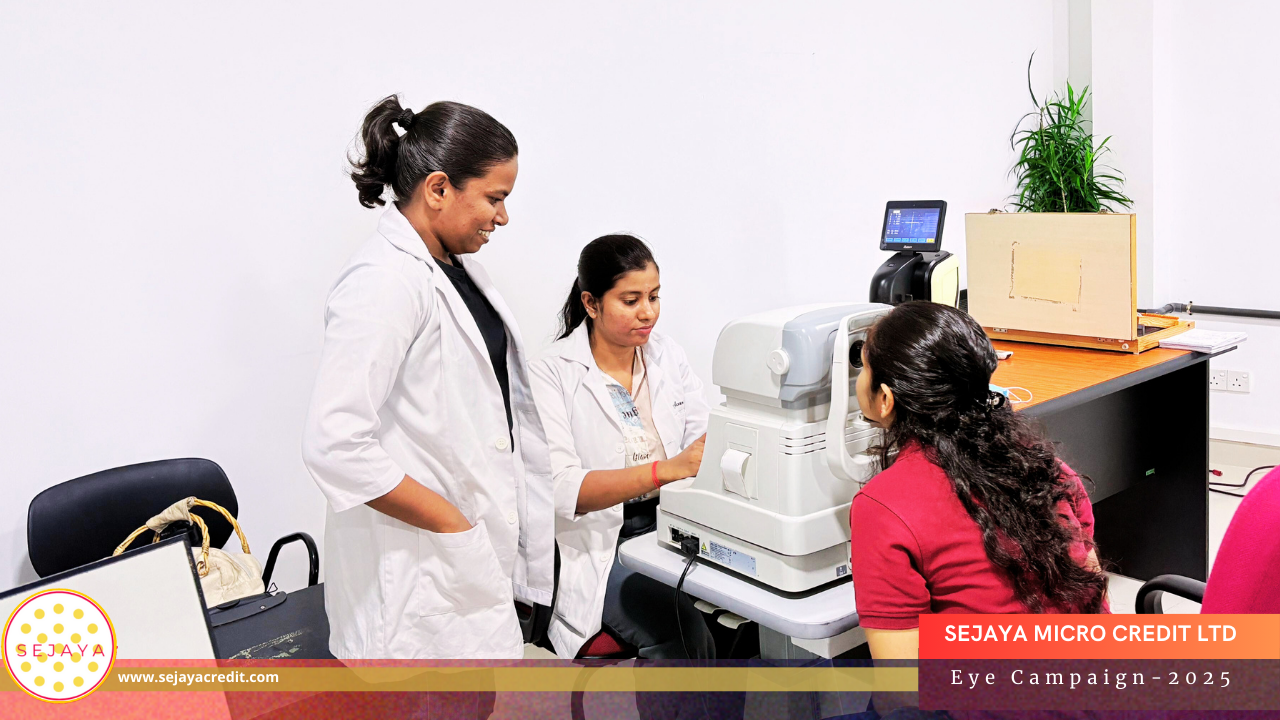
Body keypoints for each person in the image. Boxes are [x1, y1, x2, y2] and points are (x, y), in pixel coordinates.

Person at [301, 95, 553, 661]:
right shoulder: (384, 281)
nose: (502, 217)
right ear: (438, 189)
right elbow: (333, 444)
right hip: (416, 586)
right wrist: (450, 522)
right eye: (495, 198)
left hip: (461, 568)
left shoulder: (457, 270)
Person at [849, 302, 1108, 661]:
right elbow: (1094, 592)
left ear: (885, 399)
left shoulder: (882, 508)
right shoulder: (1049, 469)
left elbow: (901, 683)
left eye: (864, 368)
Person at [528, 234, 712, 660]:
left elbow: (702, 438)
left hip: (671, 523)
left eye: (654, 296)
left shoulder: (666, 356)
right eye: (631, 300)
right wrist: (665, 470)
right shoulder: (550, 373)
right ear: (591, 304)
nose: (648, 312)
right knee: (683, 635)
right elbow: (562, 490)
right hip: (600, 543)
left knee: (748, 612)